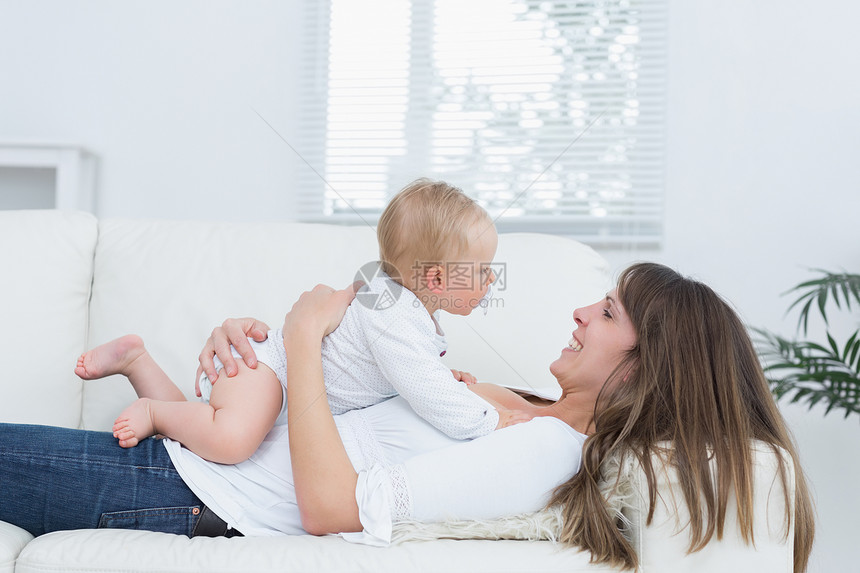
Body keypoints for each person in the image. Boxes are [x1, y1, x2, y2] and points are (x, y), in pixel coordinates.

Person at [0, 263, 815, 572]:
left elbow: (329, 507)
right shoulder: (525, 411)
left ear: (642, 363)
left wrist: (301, 338)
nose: (577, 312)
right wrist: (254, 361)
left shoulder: (546, 453)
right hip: (196, 468)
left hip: (192, 493)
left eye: (605, 313)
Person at [73, 179, 525, 465]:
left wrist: (446, 375)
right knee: (229, 442)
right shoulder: (390, 314)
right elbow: (426, 391)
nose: (489, 281)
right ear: (436, 278)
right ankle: (154, 411)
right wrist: (493, 421)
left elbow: (409, 371)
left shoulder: (403, 312)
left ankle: (137, 362)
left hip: (274, 384)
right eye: (482, 271)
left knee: (196, 443)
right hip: (269, 377)